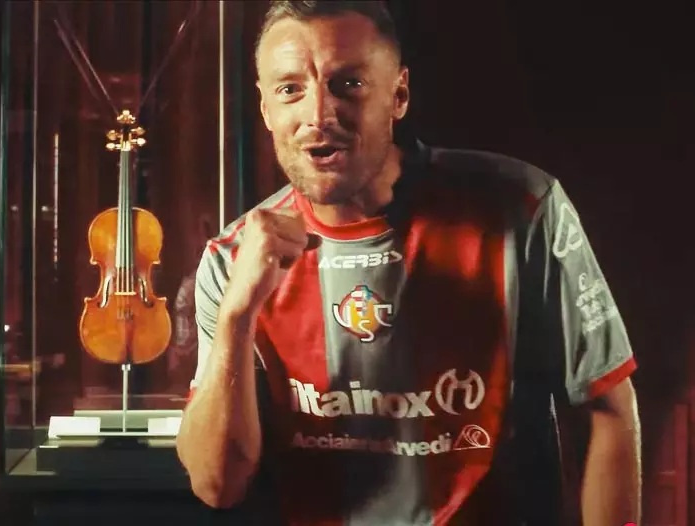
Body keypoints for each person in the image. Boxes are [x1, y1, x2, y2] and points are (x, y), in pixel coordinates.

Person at [175, 1, 642, 524]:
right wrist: (238, 315)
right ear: (265, 109)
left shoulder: (522, 208)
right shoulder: (232, 259)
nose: (318, 115)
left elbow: (606, 409)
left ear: (398, 95)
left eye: (348, 84)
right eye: (290, 90)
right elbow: (216, 484)